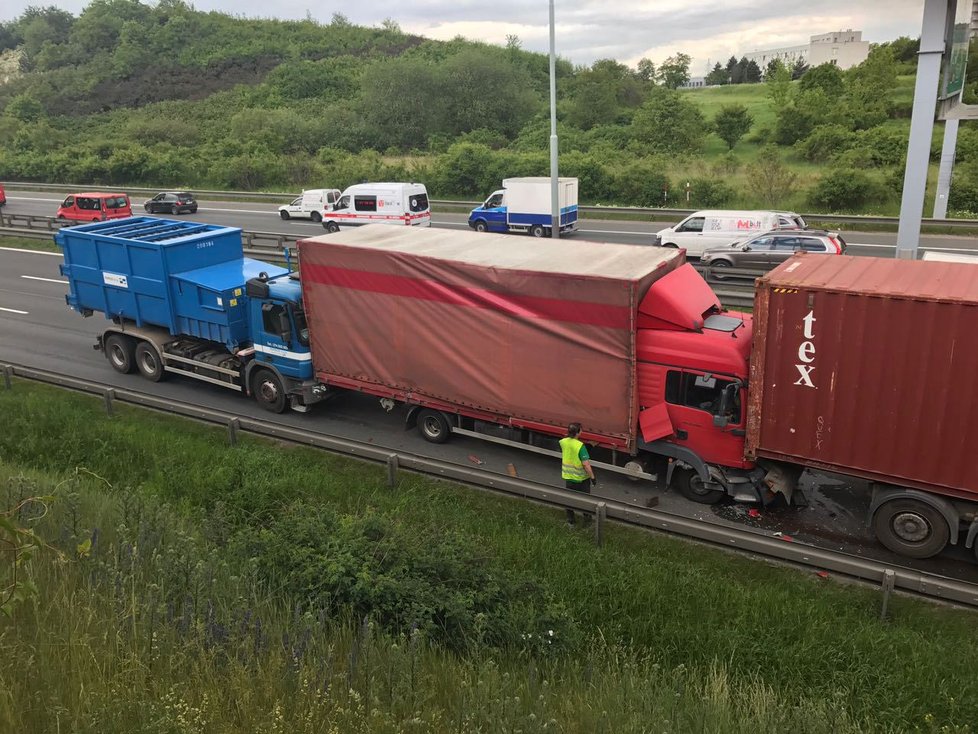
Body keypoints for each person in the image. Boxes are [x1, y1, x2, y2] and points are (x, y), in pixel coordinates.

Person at [559, 422, 596, 526]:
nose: (582, 431)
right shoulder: (580, 446)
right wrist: (592, 477)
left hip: (569, 477)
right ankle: (587, 521)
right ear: (578, 433)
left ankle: (571, 522)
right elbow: (586, 465)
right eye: (581, 430)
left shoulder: (563, 442)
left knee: (569, 500)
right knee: (585, 501)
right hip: (581, 478)